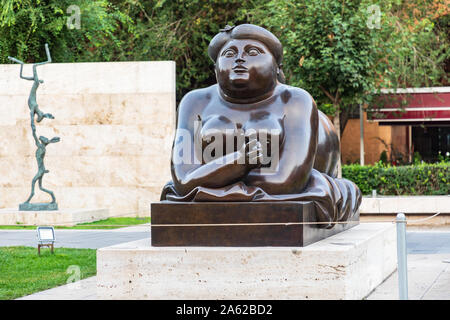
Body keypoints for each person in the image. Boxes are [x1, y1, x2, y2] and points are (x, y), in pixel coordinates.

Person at [161, 24, 361, 228]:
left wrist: (211, 178)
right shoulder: (194, 102)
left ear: (277, 67)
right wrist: (241, 162)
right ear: (215, 69)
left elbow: (286, 182)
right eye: (229, 53)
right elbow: (184, 180)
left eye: (252, 52)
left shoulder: (295, 101)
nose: (239, 58)